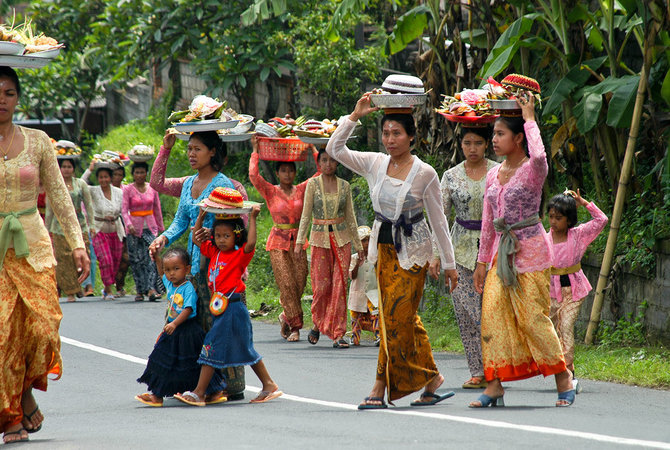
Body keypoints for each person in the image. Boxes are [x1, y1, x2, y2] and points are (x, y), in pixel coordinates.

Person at [326, 93, 458, 409]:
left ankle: (378, 386)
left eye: (397, 133)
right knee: (394, 318)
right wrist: (354, 116)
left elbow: (439, 220)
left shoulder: (425, 172)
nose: (390, 139)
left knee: (396, 318)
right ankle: (431, 379)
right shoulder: (375, 163)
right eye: (386, 133)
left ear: (411, 136)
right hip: (380, 252)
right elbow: (334, 149)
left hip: (413, 253)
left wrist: (448, 262)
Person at [0, 66, 90, 444]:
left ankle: (23, 391)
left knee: (41, 326)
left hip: (33, 245)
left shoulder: (38, 142)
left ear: (18, 99)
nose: (0, 100)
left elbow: (59, 195)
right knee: (3, 334)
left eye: (7, 92)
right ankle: (12, 416)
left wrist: (78, 243)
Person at [471, 91, 574, 408]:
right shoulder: (492, 175)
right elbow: (489, 222)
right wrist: (480, 262)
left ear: (518, 138)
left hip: (531, 253)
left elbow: (542, 157)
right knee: (491, 317)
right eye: (494, 134)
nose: (494, 140)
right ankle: (494, 384)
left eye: (500, 134)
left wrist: (529, 119)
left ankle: (563, 379)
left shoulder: (533, 169)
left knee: (532, 318)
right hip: (501, 258)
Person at [174, 200, 282, 406]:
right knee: (245, 348)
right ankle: (269, 384)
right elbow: (197, 239)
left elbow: (250, 244)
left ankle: (199, 392)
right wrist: (201, 216)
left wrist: (252, 218)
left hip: (233, 308)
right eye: (218, 236)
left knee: (211, 345)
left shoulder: (239, 256)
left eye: (227, 236)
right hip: (221, 309)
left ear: (236, 236)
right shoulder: (213, 252)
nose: (221, 240)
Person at [429, 126, 498, 389]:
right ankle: (478, 371)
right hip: (458, 251)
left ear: (486, 145)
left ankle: (497, 367)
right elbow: (440, 217)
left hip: (493, 249)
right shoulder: (450, 176)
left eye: (478, 143)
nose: (472, 148)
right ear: (460, 145)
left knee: (491, 312)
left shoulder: (498, 171)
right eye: (467, 143)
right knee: (466, 313)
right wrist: (436, 255)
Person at [248, 137, 319, 342]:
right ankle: (296, 327)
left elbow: (320, 173)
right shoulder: (271, 191)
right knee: (286, 284)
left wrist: (313, 149)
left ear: (295, 173)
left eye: (291, 171)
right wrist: (255, 150)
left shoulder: (304, 188)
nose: (287, 174)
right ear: (277, 173)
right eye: (283, 171)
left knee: (298, 283)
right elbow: (254, 175)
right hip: (277, 241)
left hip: (298, 240)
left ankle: (285, 316)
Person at [135, 247, 225, 406]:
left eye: (176, 269)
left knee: (196, 362)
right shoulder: (170, 285)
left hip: (188, 330)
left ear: (187, 269)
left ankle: (213, 391)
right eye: (168, 269)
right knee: (160, 358)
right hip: (172, 330)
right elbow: (160, 273)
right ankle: (157, 394)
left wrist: (175, 323)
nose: (171, 273)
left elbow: (188, 309)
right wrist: (157, 258)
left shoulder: (188, 287)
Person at [295, 148, 363, 349]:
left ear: (338, 163)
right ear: (318, 163)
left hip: (342, 240)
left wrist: (358, 245)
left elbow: (350, 216)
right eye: (324, 160)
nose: (328, 164)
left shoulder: (345, 186)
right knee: (321, 287)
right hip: (319, 240)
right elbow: (306, 214)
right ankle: (317, 323)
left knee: (340, 285)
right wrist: (300, 242)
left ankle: (338, 333)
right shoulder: (312, 185)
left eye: (332, 161)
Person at [547, 189, 607, 394]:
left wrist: (584, 203)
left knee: (566, 325)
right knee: (553, 331)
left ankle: (569, 369)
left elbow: (602, 220)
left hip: (574, 290)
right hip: (551, 290)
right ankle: (560, 369)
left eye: (559, 218)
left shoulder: (579, 235)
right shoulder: (544, 239)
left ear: (569, 220)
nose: (553, 222)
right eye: (551, 217)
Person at [45, 157, 95, 302]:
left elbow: (89, 205)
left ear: (73, 169)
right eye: (64, 167)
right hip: (59, 227)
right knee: (64, 260)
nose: (66, 169)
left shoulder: (81, 184)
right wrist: (46, 230)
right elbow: (50, 209)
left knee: (82, 254)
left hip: (79, 225)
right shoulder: (54, 185)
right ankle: (70, 292)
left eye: (69, 167)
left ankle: (78, 285)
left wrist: (92, 225)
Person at [122, 161, 164, 301]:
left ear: (146, 173)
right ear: (133, 174)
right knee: (136, 260)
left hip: (150, 228)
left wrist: (161, 229)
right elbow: (124, 209)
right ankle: (140, 290)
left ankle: (152, 289)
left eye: (142, 172)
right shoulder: (128, 189)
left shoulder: (152, 189)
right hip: (134, 229)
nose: (139, 175)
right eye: (137, 172)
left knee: (152, 257)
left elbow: (157, 209)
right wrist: (128, 224)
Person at [89, 166, 125, 300]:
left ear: (110, 178)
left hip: (116, 230)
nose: (103, 180)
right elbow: (81, 183)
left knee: (116, 261)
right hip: (99, 230)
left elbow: (123, 209)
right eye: (101, 177)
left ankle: (107, 285)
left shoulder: (118, 192)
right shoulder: (93, 191)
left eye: (106, 177)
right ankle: (109, 289)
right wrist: (91, 169)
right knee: (106, 260)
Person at [348, 226, 380, 346]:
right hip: (358, 292)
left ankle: (378, 336)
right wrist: (357, 263)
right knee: (356, 315)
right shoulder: (353, 258)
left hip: (373, 291)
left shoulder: (376, 258)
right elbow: (352, 275)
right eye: (363, 241)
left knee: (375, 313)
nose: (366, 244)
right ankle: (355, 336)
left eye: (369, 241)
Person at [112, 165, 132, 297]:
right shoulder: (105, 190)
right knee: (113, 257)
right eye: (115, 175)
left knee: (125, 258)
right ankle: (111, 285)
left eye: (120, 175)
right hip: (110, 226)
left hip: (125, 225)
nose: (117, 178)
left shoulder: (126, 189)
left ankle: (119, 284)